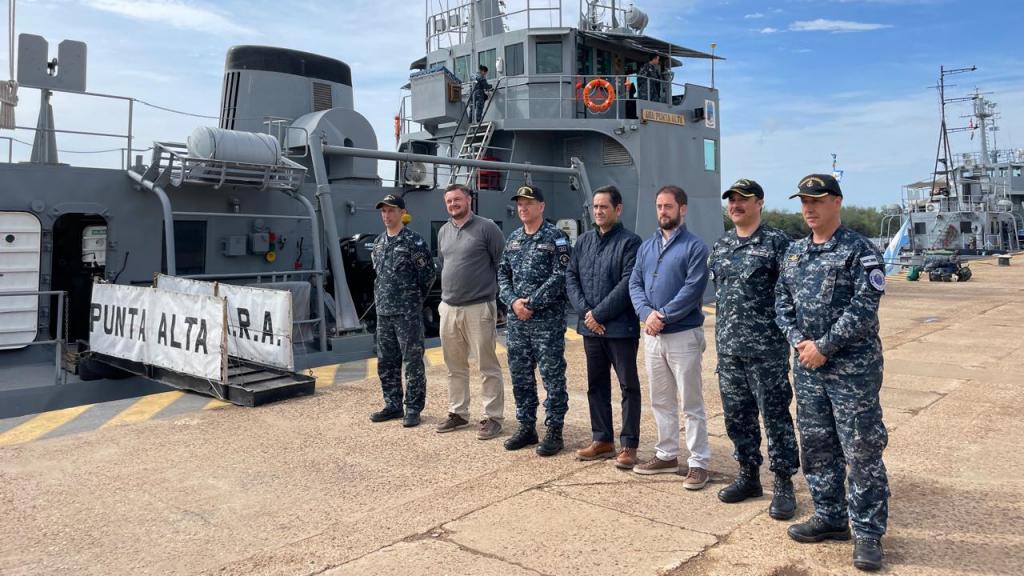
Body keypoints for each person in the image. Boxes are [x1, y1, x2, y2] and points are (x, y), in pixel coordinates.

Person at [775, 174, 889, 572]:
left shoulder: (860, 251)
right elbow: (781, 304)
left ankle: (869, 532)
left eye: (817, 200)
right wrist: (800, 343)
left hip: (851, 371)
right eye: (804, 201)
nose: (809, 207)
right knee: (818, 446)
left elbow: (863, 308)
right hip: (807, 369)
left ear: (836, 202)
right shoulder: (793, 254)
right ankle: (830, 516)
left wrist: (824, 346)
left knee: (861, 450)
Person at [708, 178, 799, 519]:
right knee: (737, 419)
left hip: (767, 352)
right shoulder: (722, 245)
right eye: (731, 200)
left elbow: (792, 294)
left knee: (776, 419)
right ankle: (748, 476)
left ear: (759, 202)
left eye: (743, 199)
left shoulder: (778, 243)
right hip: (730, 352)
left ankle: (784, 483)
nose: (736, 205)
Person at [628, 185, 711, 490]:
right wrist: (645, 315)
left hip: (682, 335)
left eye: (668, 207)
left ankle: (699, 461)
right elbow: (635, 283)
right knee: (660, 399)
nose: (662, 212)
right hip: (652, 335)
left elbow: (692, 290)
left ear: (682, 209)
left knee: (691, 402)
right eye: (659, 206)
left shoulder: (695, 247)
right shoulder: (647, 246)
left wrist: (661, 316)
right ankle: (666, 454)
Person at [565, 185, 643, 469]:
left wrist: (598, 314)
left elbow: (627, 283)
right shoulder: (583, 241)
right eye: (595, 207)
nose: (598, 211)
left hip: (620, 329)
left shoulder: (630, 242)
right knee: (596, 386)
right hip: (591, 329)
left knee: (628, 387)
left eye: (604, 207)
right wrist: (587, 314)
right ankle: (602, 440)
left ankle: (629, 445)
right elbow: (571, 277)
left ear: (617, 209)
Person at [498, 184, 571, 456]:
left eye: (528, 203)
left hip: (546, 324)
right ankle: (526, 426)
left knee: (552, 377)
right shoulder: (514, 238)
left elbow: (560, 275)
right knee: (520, 376)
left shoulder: (557, 238)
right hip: (518, 323)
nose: (522, 207)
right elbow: (502, 274)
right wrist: (514, 302)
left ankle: (554, 430)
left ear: (541, 206)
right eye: (519, 203)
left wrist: (532, 303)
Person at [434, 184, 507, 440]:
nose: (453, 204)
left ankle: (493, 417)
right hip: (449, 307)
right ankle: (459, 413)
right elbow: (445, 264)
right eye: (449, 201)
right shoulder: (443, 231)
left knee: (487, 365)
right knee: (454, 366)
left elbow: (502, 263)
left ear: (469, 200)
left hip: (479, 307)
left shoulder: (487, 228)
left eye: (457, 200)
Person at [368, 194, 437, 428]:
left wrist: (413, 300)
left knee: (413, 361)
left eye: (391, 211)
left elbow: (428, 276)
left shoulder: (413, 242)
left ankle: (414, 409)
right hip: (384, 313)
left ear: (402, 213)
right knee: (386, 361)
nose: (387, 215)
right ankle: (392, 405)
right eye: (383, 211)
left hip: (407, 313)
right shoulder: (378, 242)